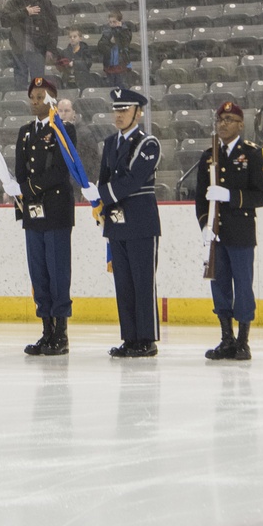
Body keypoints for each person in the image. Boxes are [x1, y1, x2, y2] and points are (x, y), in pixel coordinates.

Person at [195, 99, 263, 362]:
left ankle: (243, 340)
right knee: (220, 285)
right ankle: (226, 338)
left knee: (243, 288)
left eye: (229, 120)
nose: (223, 124)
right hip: (218, 234)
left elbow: (261, 196)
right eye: (220, 120)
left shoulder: (251, 154)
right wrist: (205, 223)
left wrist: (231, 195)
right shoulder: (208, 156)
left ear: (241, 124)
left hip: (240, 233)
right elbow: (200, 199)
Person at [14, 77, 76, 356]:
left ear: (52, 100)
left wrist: (30, 189)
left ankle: (60, 333)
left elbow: (62, 169)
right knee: (38, 273)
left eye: (41, 97)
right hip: (33, 214)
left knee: (57, 273)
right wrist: (25, 194)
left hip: (56, 210)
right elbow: (20, 168)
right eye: (33, 97)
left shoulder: (64, 130)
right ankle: (46, 330)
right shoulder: (25, 132)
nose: (36, 102)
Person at [98, 87, 161, 357]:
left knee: (142, 281)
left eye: (124, 109)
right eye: (116, 109)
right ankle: (130, 337)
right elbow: (104, 176)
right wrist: (99, 197)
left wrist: (102, 195)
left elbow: (134, 180)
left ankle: (146, 338)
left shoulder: (149, 144)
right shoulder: (111, 143)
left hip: (140, 220)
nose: (119, 115)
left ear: (138, 112)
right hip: (116, 219)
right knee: (123, 282)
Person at [2, 0, 58, 88]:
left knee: (38, 84)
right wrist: (25, 12)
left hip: (38, 49)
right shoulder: (13, 2)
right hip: (19, 49)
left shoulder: (44, 2)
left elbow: (53, 26)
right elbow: (4, 21)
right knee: (20, 83)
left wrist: (51, 48)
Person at [97, 9, 133, 82]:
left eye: (114, 22)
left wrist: (119, 29)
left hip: (122, 64)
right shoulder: (107, 32)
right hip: (110, 65)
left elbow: (125, 42)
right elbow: (100, 46)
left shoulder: (125, 31)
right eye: (110, 22)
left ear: (120, 21)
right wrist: (110, 43)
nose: (112, 24)